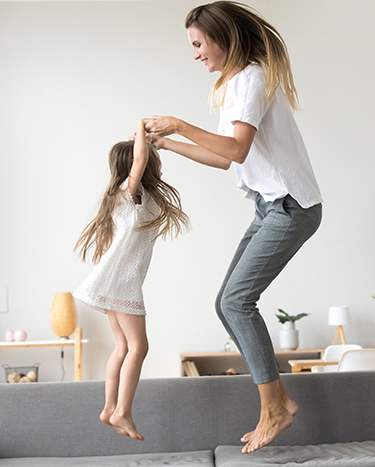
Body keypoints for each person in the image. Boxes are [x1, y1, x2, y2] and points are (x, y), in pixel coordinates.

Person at [144, 1, 322, 453]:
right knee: (227, 305)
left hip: (291, 206)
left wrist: (181, 124)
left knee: (238, 300)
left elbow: (237, 149)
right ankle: (277, 398)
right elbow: (224, 157)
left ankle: (274, 407)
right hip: (268, 207)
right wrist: (170, 142)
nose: (196, 54)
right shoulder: (236, 84)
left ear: (223, 37)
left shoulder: (255, 78)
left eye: (199, 43)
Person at [73, 119, 189, 441]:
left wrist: (146, 142)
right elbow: (139, 160)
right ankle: (122, 410)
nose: (159, 169)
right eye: (156, 164)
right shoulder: (128, 192)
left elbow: (140, 159)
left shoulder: (138, 197)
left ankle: (109, 408)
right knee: (139, 346)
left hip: (113, 283)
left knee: (123, 346)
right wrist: (141, 127)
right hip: (122, 283)